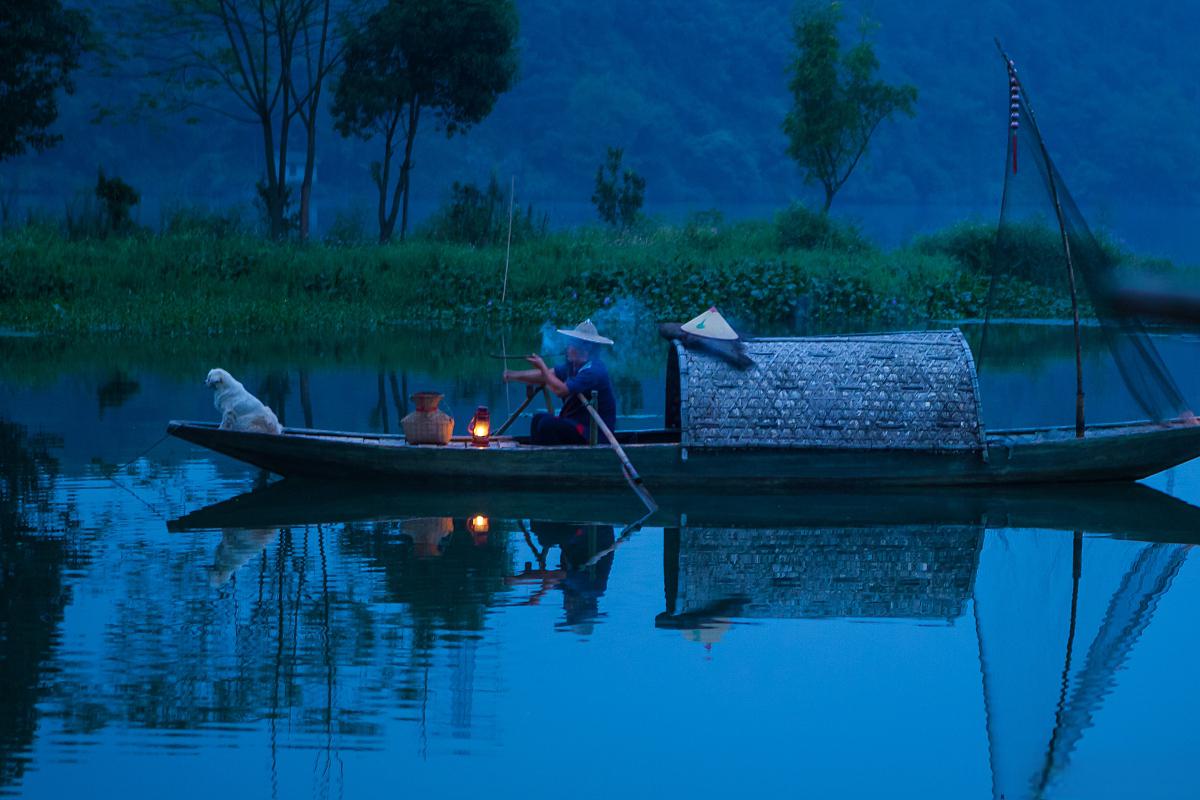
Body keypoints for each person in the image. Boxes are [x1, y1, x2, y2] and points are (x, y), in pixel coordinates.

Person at [502, 319, 617, 445]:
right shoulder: (574, 365)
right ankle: (539, 458)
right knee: (537, 419)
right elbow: (546, 375)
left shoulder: (593, 371)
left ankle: (555, 460)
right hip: (575, 424)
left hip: (593, 434)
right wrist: (512, 375)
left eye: (572, 344)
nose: (567, 348)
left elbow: (561, 390)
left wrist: (542, 366)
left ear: (584, 349)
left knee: (547, 424)